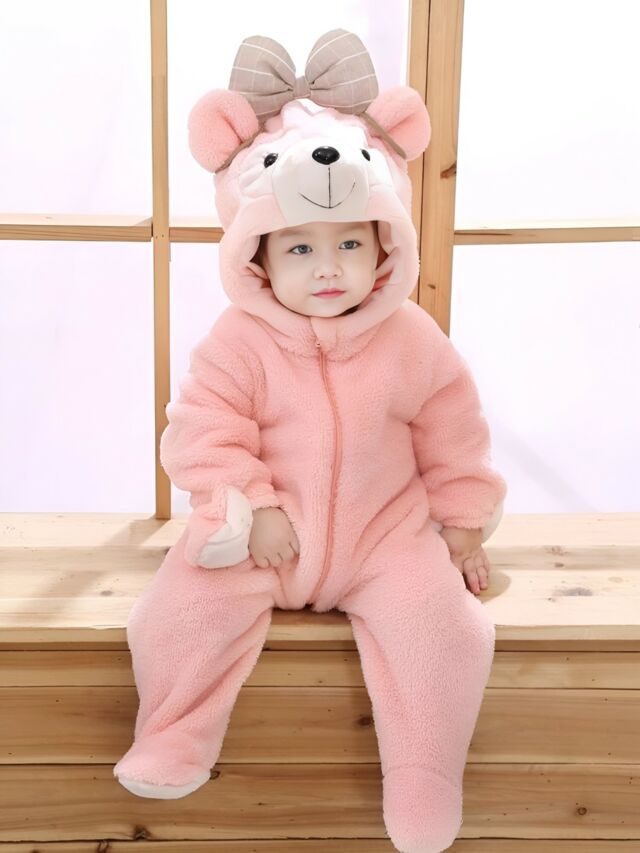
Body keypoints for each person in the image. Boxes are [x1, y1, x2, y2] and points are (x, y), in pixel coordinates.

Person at [114, 29, 508, 853]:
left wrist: (463, 521)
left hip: (383, 537)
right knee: (180, 610)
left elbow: (455, 430)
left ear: (385, 245)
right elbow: (205, 427)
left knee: (443, 630)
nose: (328, 268)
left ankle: (426, 775)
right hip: (262, 538)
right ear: (257, 257)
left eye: (349, 244)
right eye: (300, 247)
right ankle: (173, 734)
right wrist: (251, 505)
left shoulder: (411, 339)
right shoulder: (238, 341)